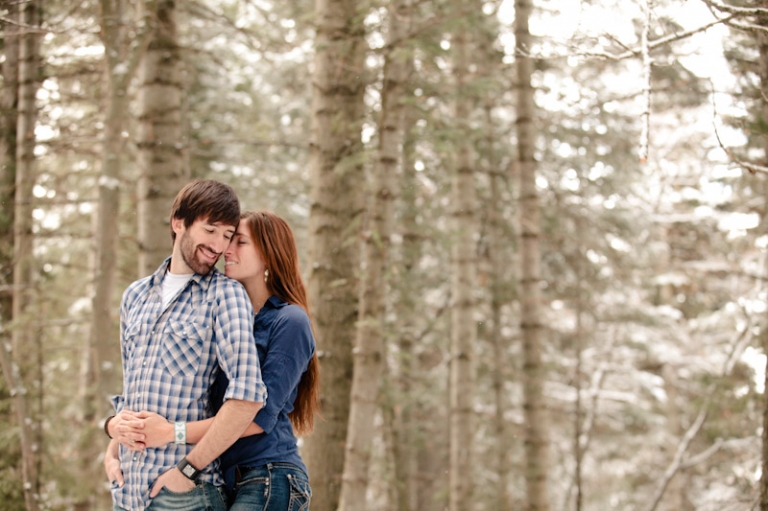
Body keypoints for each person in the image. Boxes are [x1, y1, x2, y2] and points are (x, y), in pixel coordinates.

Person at [108, 210, 319, 511]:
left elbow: (256, 415)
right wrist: (115, 444)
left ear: (270, 255)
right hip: (225, 477)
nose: (225, 249)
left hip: (269, 474)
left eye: (239, 242)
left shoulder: (290, 321)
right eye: (227, 240)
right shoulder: (229, 315)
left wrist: (171, 433)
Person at [103, 180, 268, 511]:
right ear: (179, 223)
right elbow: (131, 390)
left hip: (184, 496)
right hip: (127, 493)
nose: (219, 246)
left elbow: (247, 399)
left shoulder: (225, 295)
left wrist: (187, 471)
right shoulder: (134, 295)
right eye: (211, 230)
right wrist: (112, 439)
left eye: (227, 234)